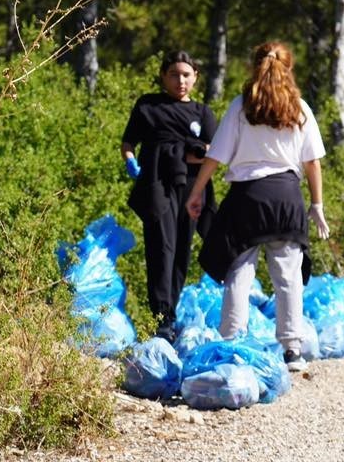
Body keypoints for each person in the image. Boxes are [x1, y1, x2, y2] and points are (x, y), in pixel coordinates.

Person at [186, 42, 326, 371]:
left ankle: (232, 343)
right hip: (287, 196)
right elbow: (313, 163)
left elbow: (216, 155)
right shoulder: (300, 108)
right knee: (288, 276)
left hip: (247, 196)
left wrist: (197, 192)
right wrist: (317, 204)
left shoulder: (241, 106)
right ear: (288, 69)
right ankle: (292, 350)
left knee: (240, 271)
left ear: (254, 66)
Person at [122, 50, 217, 330]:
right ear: (163, 76)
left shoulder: (202, 112)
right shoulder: (148, 106)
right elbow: (128, 142)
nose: (180, 81)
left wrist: (184, 154)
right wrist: (130, 160)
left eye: (186, 75)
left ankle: (170, 313)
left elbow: (215, 151)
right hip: (157, 185)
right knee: (161, 248)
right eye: (174, 74)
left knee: (181, 251)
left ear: (196, 77)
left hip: (192, 187)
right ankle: (161, 318)